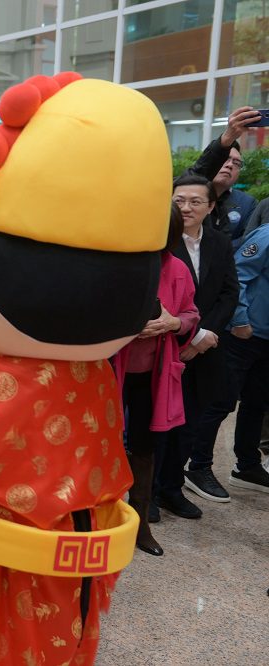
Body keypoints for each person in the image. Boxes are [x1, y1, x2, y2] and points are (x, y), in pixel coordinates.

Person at [114, 206, 199, 556]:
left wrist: (172, 324)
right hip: (110, 368)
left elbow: (191, 313)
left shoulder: (177, 269)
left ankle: (141, 521)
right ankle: (99, 515)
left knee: (145, 446)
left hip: (154, 373)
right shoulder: (118, 266)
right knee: (101, 441)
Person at [153, 175, 239, 514]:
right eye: (179, 201)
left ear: (211, 206)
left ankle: (173, 488)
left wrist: (203, 336)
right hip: (166, 346)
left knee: (190, 423)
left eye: (195, 201)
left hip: (206, 347)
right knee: (158, 423)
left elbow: (229, 292)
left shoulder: (219, 242)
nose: (186, 208)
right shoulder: (159, 242)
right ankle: (151, 492)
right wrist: (188, 335)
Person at [189, 201, 269, 496]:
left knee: (257, 403)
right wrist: (241, 319)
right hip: (244, 334)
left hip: (266, 341)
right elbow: (239, 278)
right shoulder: (266, 236)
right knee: (221, 402)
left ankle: (247, 465)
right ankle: (197, 467)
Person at [186, 106, 263, 246]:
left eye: (236, 162)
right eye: (225, 159)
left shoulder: (247, 203)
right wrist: (228, 137)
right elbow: (196, 175)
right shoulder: (186, 194)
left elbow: (248, 240)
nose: (229, 165)